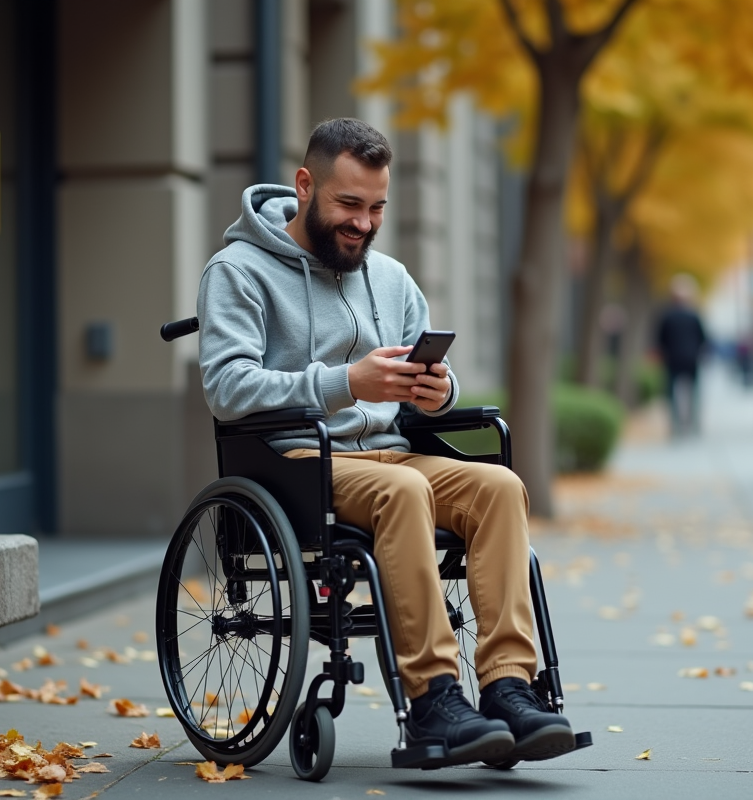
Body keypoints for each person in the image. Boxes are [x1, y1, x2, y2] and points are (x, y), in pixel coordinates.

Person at [196, 119, 575, 766]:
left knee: (500, 486)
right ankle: (432, 696)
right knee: (402, 488)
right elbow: (226, 389)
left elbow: (429, 380)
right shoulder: (237, 270)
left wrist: (438, 391)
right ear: (305, 185)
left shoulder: (391, 277)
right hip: (295, 460)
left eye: (376, 208)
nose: (364, 224)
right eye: (349, 205)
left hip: (390, 453)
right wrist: (348, 382)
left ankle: (509, 686)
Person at [655, 274, 708, 436]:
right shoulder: (694, 315)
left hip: (672, 358)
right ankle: (694, 423)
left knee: (671, 393)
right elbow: (703, 337)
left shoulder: (667, 316)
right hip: (692, 358)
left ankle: (676, 425)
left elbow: (660, 339)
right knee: (694, 392)